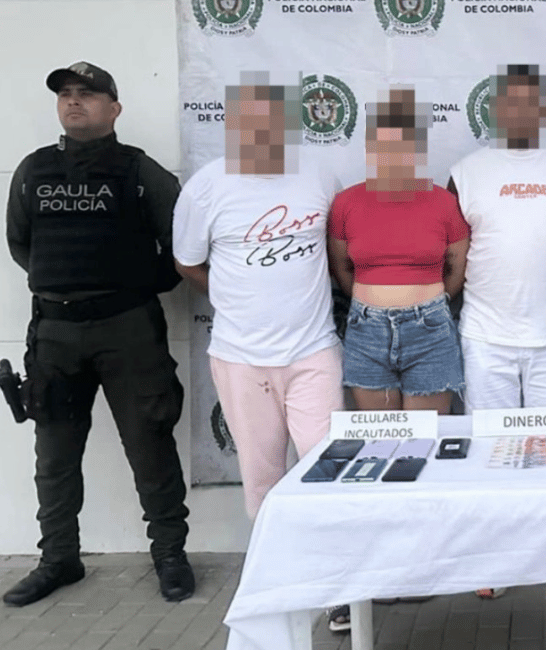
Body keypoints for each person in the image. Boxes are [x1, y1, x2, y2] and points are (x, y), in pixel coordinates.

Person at [2, 62, 193, 606]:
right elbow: (21, 245)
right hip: (56, 332)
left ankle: (170, 555)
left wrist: (130, 288)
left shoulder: (140, 171)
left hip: (127, 329)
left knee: (150, 446)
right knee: (54, 455)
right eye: (66, 93)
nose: (74, 101)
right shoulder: (33, 170)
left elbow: (183, 247)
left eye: (87, 93)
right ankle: (59, 559)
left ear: (114, 108)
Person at [325, 87, 469, 626]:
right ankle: (379, 567)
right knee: (379, 452)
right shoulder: (347, 203)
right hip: (366, 332)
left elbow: (456, 268)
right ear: (370, 149)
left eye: (403, 145)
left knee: (420, 451)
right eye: (383, 145)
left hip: (430, 332)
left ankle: (417, 565)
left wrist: (423, 307)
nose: (393, 155)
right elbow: (343, 269)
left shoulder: (442, 203)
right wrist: (375, 306)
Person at [172, 75, 344, 522]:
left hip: (313, 352)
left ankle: (329, 564)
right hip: (241, 358)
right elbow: (187, 263)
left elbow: (334, 252)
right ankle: (277, 567)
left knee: (328, 471)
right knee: (262, 480)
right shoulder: (205, 187)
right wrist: (233, 297)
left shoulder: (320, 176)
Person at [448, 64, 546, 413]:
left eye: (530, 103)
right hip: (485, 337)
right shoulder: (465, 173)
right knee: (489, 440)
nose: (520, 112)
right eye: (511, 103)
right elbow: (452, 256)